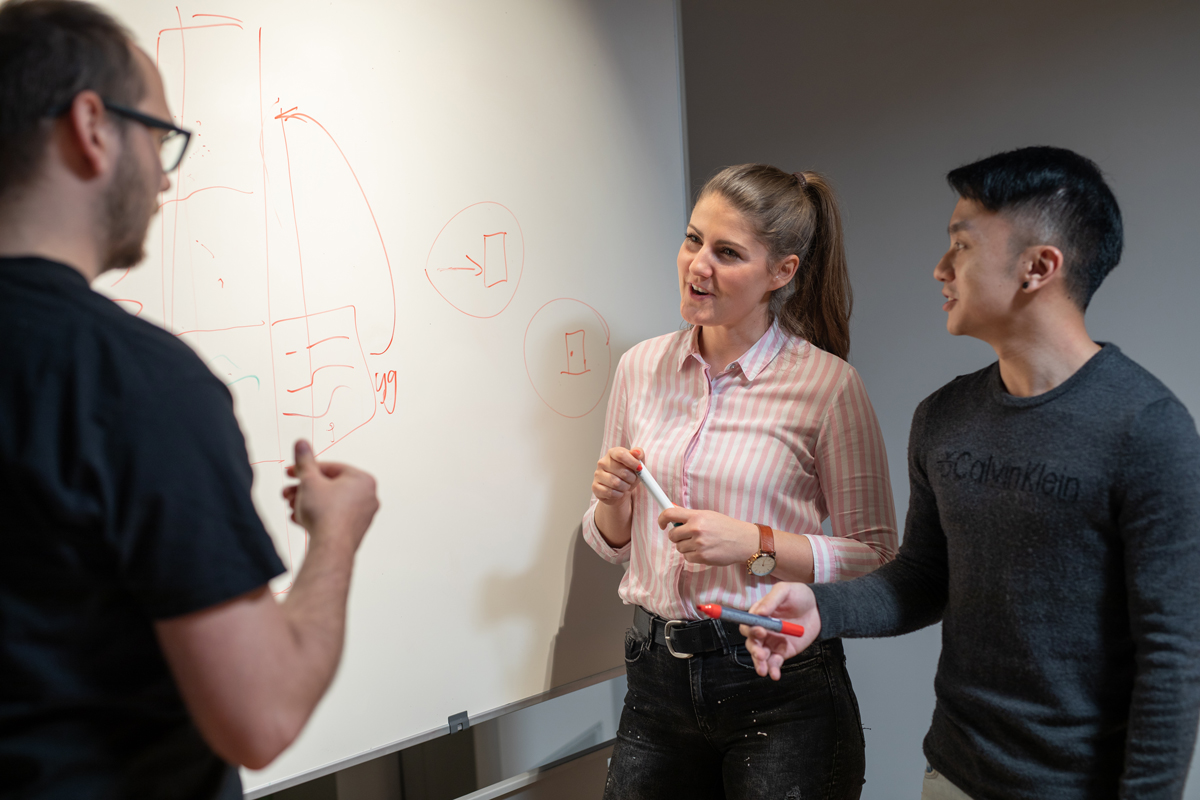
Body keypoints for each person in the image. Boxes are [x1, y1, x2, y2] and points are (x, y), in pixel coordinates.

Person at [0, 2, 380, 797]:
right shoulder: (134, 383)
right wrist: (337, 536)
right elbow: (262, 715)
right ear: (92, 127)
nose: (166, 175)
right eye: (159, 136)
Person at [742, 147, 1200, 800]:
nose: (940, 268)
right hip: (952, 774)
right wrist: (819, 607)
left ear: (1038, 267)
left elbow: (1173, 658)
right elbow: (922, 581)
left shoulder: (1148, 428)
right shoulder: (943, 417)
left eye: (961, 245)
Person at [583, 163, 898, 799]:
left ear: (781, 272)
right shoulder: (639, 368)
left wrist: (753, 543)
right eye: (693, 239)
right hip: (655, 680)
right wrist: (611, 502)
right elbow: (612, 543)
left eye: (727, 253)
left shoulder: (828, 386)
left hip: (778, 685)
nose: (697, 265)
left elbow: (878, 557)